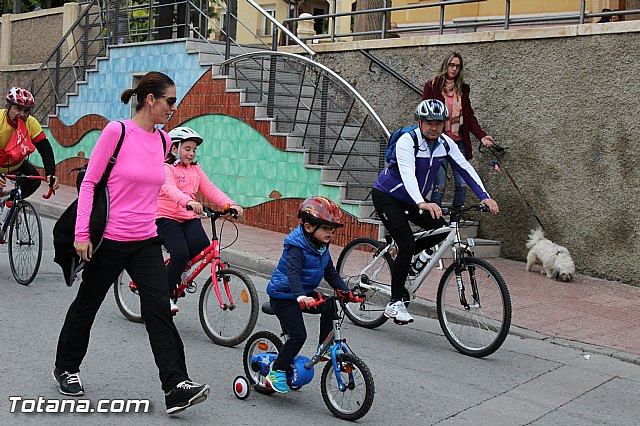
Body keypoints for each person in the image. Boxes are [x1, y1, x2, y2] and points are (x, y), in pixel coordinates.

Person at [53, 72, 210, 415]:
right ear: (150, 99)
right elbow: (91, 182)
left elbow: (160, 185)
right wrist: (82, 235)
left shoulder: (163, 141)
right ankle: (66, 367)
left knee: (159, 311)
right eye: (170, 100)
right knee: (87, 305)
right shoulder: (117, 132)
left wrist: (186, 202)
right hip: (109, 239)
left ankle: (176, 386)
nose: (174, 106)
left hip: (146, 241)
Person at [372, 99, 499, 324]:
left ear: (444, 125)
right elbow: (408, 174)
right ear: (419, 122)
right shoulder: (407, 141)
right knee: (408, 244)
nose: (434, 127)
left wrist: (484, 196)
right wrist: (422, 202)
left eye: (439, 123)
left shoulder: (445, 144)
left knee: (441, 230)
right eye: (429, 123)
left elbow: (465, 168)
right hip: (388, 196)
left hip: (415, 200)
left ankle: (409, 258)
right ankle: (394, 303)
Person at [265, 196, 356, 394]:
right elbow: (293, 274)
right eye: (325, 229)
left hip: (303, 293)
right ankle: (277, 370)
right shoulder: (296, 247)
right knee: (299, 336)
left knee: (330, 304)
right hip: (285, 295)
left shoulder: (321, 247)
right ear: (308, 227)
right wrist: (299, 297)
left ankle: (324, 346)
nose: (330, 233)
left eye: (332, 230)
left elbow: (330, 272)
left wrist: (346, 292)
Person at [156, 126, 244, 314]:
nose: (191, 153)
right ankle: (165, 296)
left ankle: (179, 270)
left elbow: (210, 189)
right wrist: (187, 201)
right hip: (165, 217)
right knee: (179, 253)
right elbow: (170, 190)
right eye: (187, 148)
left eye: (194, 150)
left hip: (187, 217)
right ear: (174, 148)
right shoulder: (166, 168)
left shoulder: (195, 168)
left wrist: (230, 205)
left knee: (203, 246)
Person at [421, 52, 494, 209]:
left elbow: (469, 116)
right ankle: (434, 223)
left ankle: (455, 221)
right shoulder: (432, 85)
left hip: (458, 143)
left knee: (462, 185)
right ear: (446, 65)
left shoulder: (463, 89)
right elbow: (423, 113)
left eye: (457, 66)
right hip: (439, 142)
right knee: (439, 185)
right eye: (451, 65)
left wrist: (481, 136)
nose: (454, 69)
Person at [0, 87, 59, 198]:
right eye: (18, 109)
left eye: (26, 110)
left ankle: (12, 205)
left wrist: (50, 174)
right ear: (7, 107)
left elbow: (45, 148)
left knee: (34, 181)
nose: (22, 114)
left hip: (16, 165)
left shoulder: (31, 123)